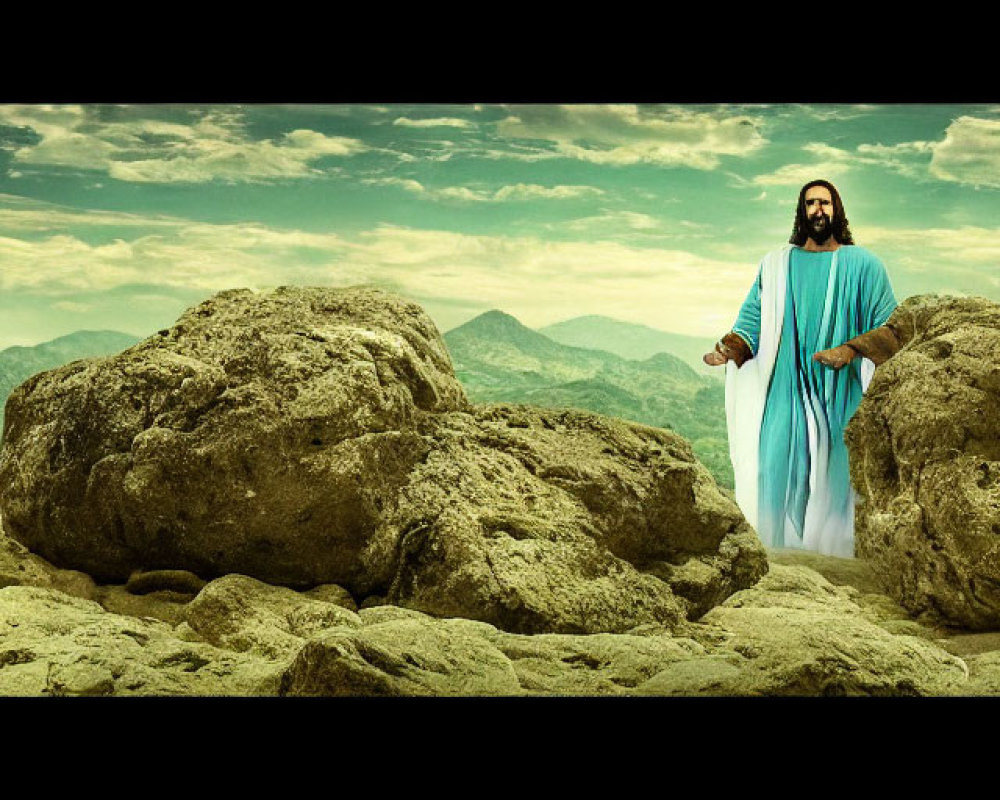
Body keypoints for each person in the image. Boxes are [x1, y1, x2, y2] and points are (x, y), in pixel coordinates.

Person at [703, 179, 902, 557]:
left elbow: (892, 326)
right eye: (810, 203)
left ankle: (837, 560)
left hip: (839, 391)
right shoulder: (777, 264)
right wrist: (729, 351)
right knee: (772, 469)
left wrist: (851, 349)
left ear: (837, 209)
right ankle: (776, 557)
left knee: (840, 477)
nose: (818, 210)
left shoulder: (865, 265)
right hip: (785, 390)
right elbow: (753, 318)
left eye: (824, 203)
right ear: (801, 211)